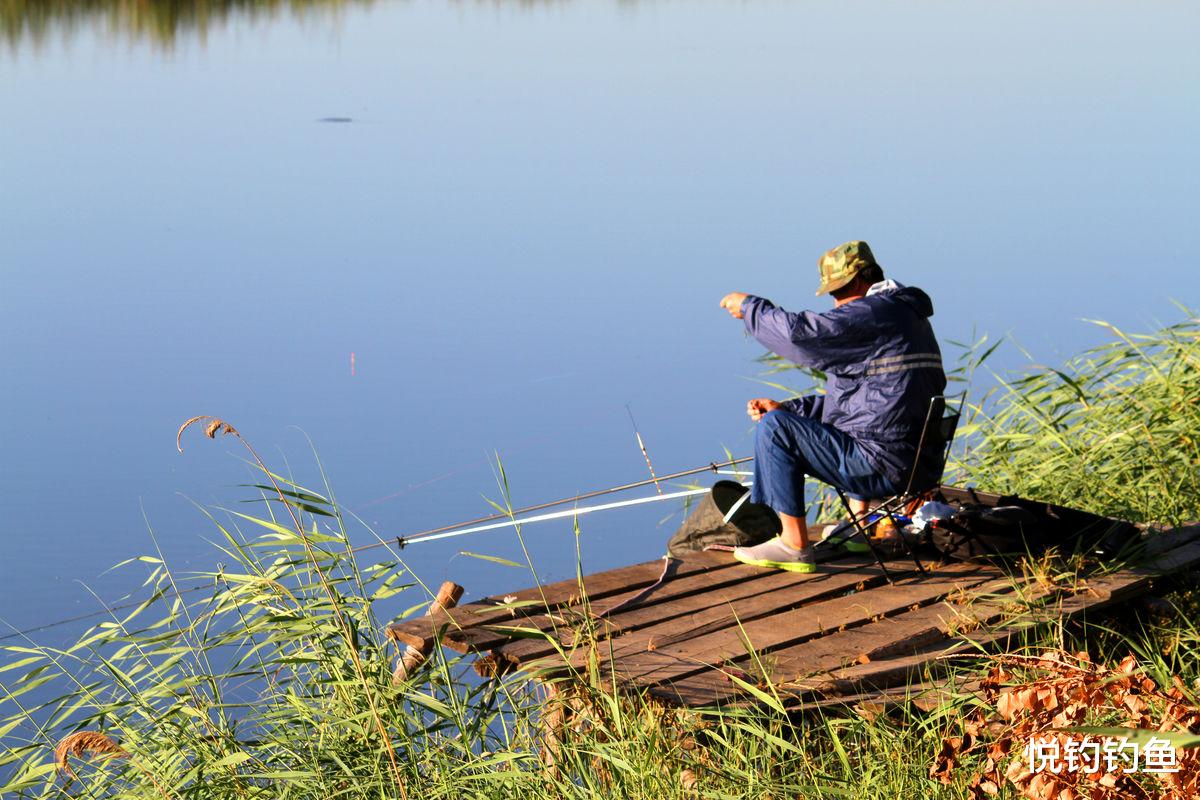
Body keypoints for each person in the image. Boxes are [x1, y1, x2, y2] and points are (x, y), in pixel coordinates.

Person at [719, 241, 946, 573]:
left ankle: (793, 545)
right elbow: (866, 403)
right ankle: (861, 526)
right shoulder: (907, 317)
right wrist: (790, 408)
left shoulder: (873, 313)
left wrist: (752, 308)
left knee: (774, 429)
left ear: (857, 281)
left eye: (838, 292)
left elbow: (801, 336)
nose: (836, 303)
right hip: (917, 465)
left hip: (882, 466)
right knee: (785, 419)